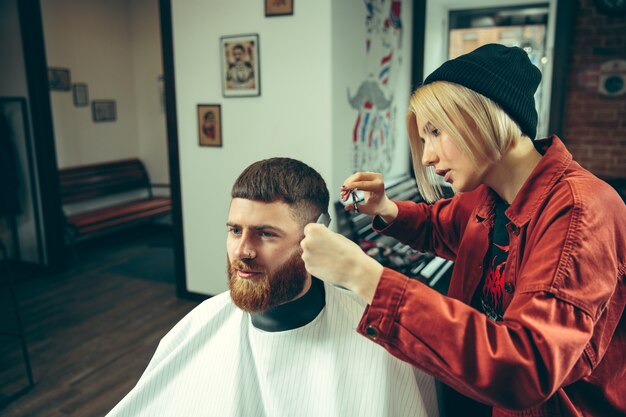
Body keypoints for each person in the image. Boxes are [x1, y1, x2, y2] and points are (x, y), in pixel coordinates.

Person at [301, 44, 626, 417]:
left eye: (436, 131)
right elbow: (439, 226)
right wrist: (385, 209)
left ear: (484, 115)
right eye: (424, 139)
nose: (426, 156)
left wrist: (363, 276)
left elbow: (527, 367)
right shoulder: (489, 196)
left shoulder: (582, 211)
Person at [106, 157, 439, 417]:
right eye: (235, 230)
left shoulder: (377, 339)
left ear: (315, 237)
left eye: (265, 233)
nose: (242, 250)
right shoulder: (196, 328)